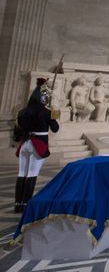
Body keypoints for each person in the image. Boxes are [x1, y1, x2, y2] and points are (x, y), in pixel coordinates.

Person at [14, 78, 59, 213]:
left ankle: (18, 204)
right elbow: (55, 129)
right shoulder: (46, 112)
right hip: (38, 144)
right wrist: (53, 115)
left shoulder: (22, 112)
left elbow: (21, 127)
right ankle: (27, 204)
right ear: (42, 98)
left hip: (25, 143)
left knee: (22, 173)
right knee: (32, 174)